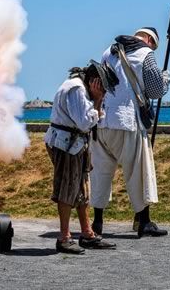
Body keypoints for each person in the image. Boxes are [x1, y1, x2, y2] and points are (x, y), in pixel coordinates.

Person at [90, 27, 170, 238]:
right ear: (151, 41)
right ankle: (144, 222)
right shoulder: (146, 54)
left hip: (102, 120)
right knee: (137, 172)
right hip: (127, 121)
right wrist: (165, 80)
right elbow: (155, 91)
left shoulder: (109, 50)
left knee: (99, 173)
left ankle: (97, 222)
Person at [45, 60, 119, 254]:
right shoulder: (76, 90)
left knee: (81, 190)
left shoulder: (79, 87)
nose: (103, 92)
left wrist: (97, 103)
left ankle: (87, 233)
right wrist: (96, 101)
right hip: (67, 144)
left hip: (74, 144)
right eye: (102, 88)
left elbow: (93, 119)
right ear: (95, 82)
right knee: (67, 190)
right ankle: (64, 238)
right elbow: (86, 122)